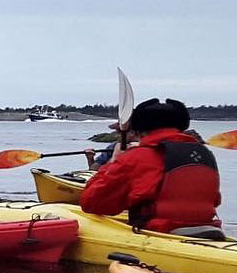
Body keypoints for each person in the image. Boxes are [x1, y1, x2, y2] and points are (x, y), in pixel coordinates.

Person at [80, 98, 221, 235]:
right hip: (208, 228)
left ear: (139, 130)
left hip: (159, 231)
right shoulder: (205, 154)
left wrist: (114, 160)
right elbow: (216, 200)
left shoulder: (136, 157)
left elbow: (92, 203)